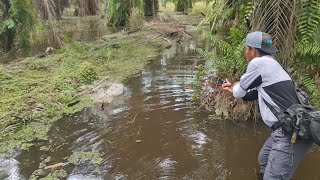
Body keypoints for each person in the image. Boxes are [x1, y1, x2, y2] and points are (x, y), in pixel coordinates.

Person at [221, 31, 313, 179]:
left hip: (290, 133)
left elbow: (239, 92)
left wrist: (236, 86)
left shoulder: (258, 63)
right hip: (295, 126)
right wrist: (234, 89)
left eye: (246, 48)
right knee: (263, 158)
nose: (246, 52)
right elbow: (253, 94)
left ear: (253, 50)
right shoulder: (274, 65)